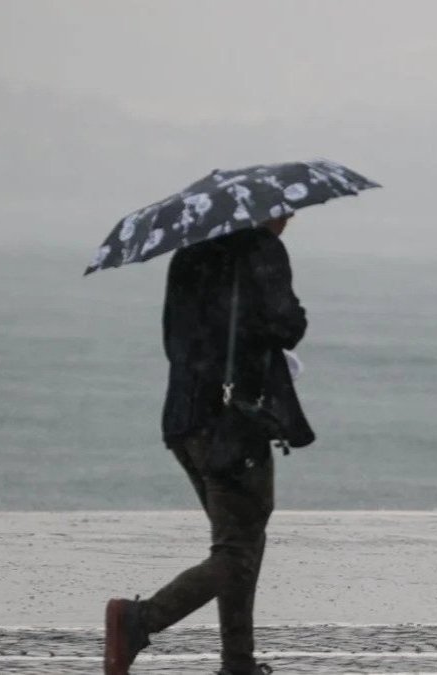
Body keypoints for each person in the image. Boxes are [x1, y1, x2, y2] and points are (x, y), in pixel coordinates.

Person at [104, 215, 313, 675]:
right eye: (284, 209)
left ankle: (238, 664)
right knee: (239, 549)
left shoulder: (189, 253)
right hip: (234, 424)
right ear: (260, 211)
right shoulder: (261, 251)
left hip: (184, 417)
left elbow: (173, 338)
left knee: (238, 542)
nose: (288, 217)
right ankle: (139, 619)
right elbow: (286, 325)